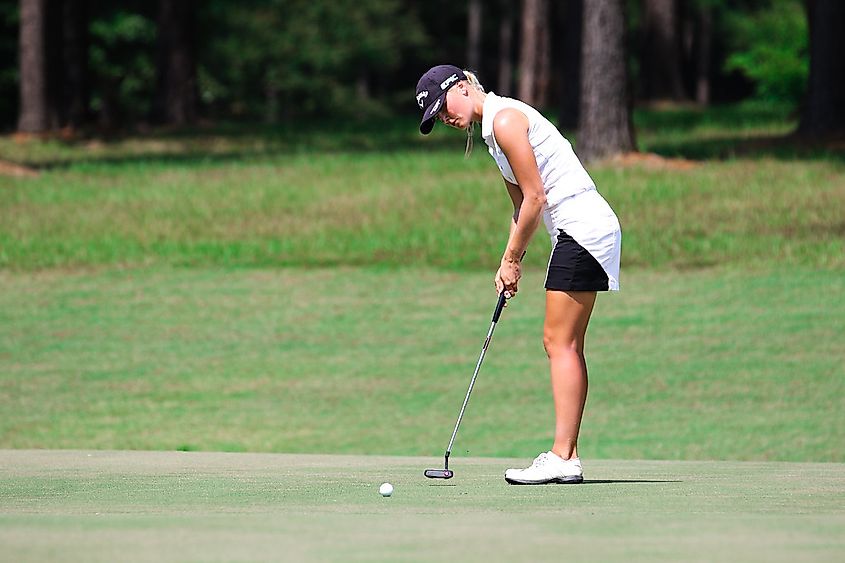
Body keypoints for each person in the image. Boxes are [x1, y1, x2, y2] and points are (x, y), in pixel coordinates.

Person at [415, 65, 622, 485]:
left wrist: (513, 260)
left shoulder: (506, 120)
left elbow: (536, 197)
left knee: (557, 341)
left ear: (462, 87)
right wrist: (508, 260)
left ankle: (563, 456)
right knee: (566, 343)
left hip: (582, 227)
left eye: (443, 107)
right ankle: (569, 456)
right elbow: (521, 209)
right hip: (579, 229)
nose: (445, 119)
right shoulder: (494, 135)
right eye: (436, 117)